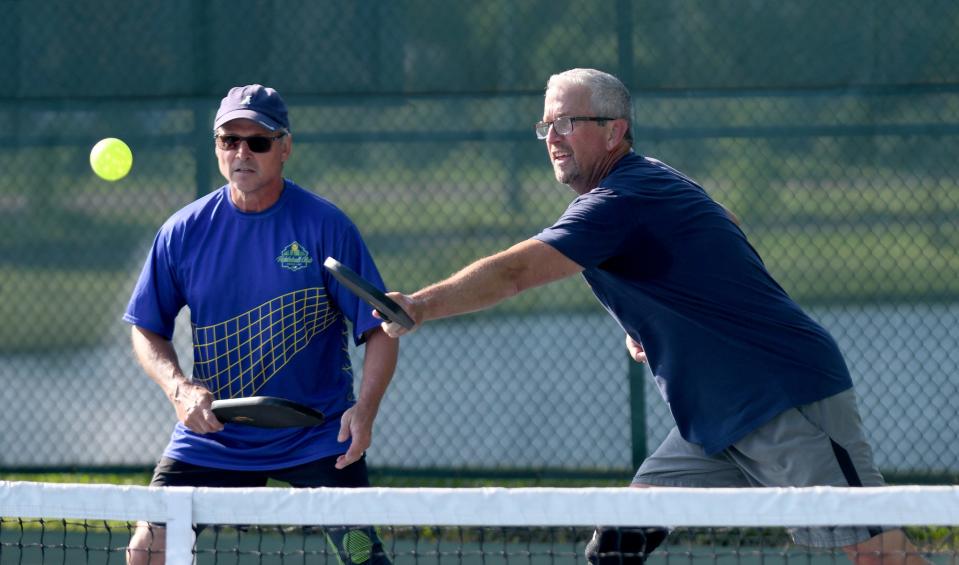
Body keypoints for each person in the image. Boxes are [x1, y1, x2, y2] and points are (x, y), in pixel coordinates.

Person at [377, 68, 926, 565]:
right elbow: (722, 221)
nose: (552, 138)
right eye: (545, 125)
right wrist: (655, 323)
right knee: (620, 540)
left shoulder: (619, 199)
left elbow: (514, 273)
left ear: (614, 131)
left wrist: (421, 305)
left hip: (783, 398)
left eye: (567, 122)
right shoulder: (652, 180)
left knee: (879, 554)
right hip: (711, 417)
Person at [123, 84, 397, 565]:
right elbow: (146, 328)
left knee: (362, 557)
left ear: (285, 147)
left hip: (315, 435)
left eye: (259, 141)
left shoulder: (327, 227)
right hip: (215, 436)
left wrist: (366, 410)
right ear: (217, 146)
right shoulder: (181, 233)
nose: (242, 152)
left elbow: (379, 329)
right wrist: (180, 390)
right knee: (147, 554)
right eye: (230, 140)